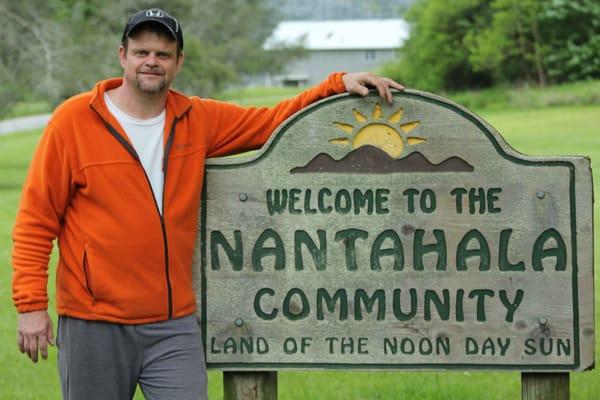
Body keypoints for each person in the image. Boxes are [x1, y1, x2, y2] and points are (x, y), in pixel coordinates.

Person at [12, 7, 404, 400]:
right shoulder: (74, 121)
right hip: (93, 323)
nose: (152, 62)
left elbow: (272, 121)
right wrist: (31, 306)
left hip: (173, 325)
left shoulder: (196, 118)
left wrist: (336, 84)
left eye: (163, 55)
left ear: (178, 62)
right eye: (141, 52)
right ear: (122, 55)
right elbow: (36, 221)